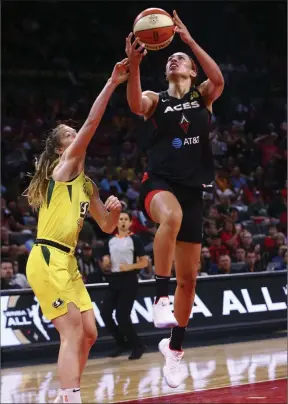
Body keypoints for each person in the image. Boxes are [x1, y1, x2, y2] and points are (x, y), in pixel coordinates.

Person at [125, 10, 224, 388]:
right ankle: (159, 298)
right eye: (171, 59)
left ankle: (175, 349)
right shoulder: (156, 99)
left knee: (191, 281)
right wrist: (134, 67)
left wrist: (189, 41)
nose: (174, 60)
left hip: (193, 189)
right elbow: (135, 104)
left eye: (179, 59)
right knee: (171, 217)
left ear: (191, 71)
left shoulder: (203, 96)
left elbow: (218, 78)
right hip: (159, 182)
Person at [24, 58, 129, 404]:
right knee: (70, 329)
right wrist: (112, 83)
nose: (77, 137)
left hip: (67, 263)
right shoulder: (63, 170)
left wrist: (113, 212)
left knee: (89, 334)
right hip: (46, 256)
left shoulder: (87, 185)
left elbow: (107, 227)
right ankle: (70, 397)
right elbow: (93, 122)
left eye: (75, 134)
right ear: (59, 150)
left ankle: (66, 393)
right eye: (69, 136)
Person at [100, 211, 148, 360]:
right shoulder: (110, 240)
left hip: (129, 280)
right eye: (120, 219)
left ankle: (137, 345)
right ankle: (121, 343)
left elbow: (144, 262)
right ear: (116, 222)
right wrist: (105, 263)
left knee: (122, 316)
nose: (123, 221)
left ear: (130, 223)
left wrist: (130, 266)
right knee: (105, 313)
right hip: (114, 279)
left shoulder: (135, 239)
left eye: (126, 219)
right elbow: (105, 261)